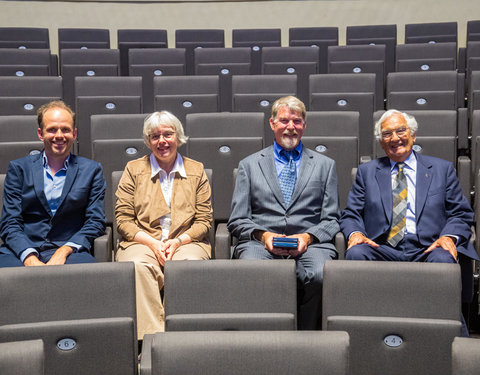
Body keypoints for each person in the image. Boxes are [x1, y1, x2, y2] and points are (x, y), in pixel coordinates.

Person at [340, 110, 478, 335]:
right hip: (382, 248)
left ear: (413, 135)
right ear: (381, 143)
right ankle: (357, 334)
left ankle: (451, 338)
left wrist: (448, 237)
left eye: (400, 131)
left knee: (444, 259)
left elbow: (461, 214)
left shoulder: (442, 170)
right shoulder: (367, 173)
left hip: (428, 248)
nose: (394, 138)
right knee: (356, 254)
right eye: (387, 134)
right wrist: (355, 234)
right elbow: (351, 214)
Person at [227, 96, 340, 330]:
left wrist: (307, 238)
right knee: (253, 272)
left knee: (320, 274)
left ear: (304, 125)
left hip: (310, 243)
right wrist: (264, 236)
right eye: (284, 120)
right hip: (260, 244)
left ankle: (307, 337)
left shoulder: (325, 165)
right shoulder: (249, 165)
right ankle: (264, 337)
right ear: (272, 123)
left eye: (297, 121)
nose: (290, 127)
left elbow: (331, 219)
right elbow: (238, 220)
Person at [115, 111, 212, 340]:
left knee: (188, 264)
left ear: (178, 137)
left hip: (186, 240)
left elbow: (204, 221)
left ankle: (181, 338)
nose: (162, 141)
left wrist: (177, 242)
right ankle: (153, 341)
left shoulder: (196, 170)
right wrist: (153, 244)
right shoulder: (133, 170)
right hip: (142, 240)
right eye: (155, 136)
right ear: (148, 141)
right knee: (138, 266)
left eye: (168, 134)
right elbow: (123, 220)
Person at [0, 100, 106, 267]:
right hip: (22, 249)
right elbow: (10, 221)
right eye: (51, 129)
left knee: (89, 282)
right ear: (40, 133)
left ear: (75, 134)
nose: (59, 135)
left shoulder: (92, 170)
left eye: (65, 130)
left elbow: (96, 221)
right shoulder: (18, 169)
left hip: (70, 250)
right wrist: (29, 256)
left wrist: (64, 250)